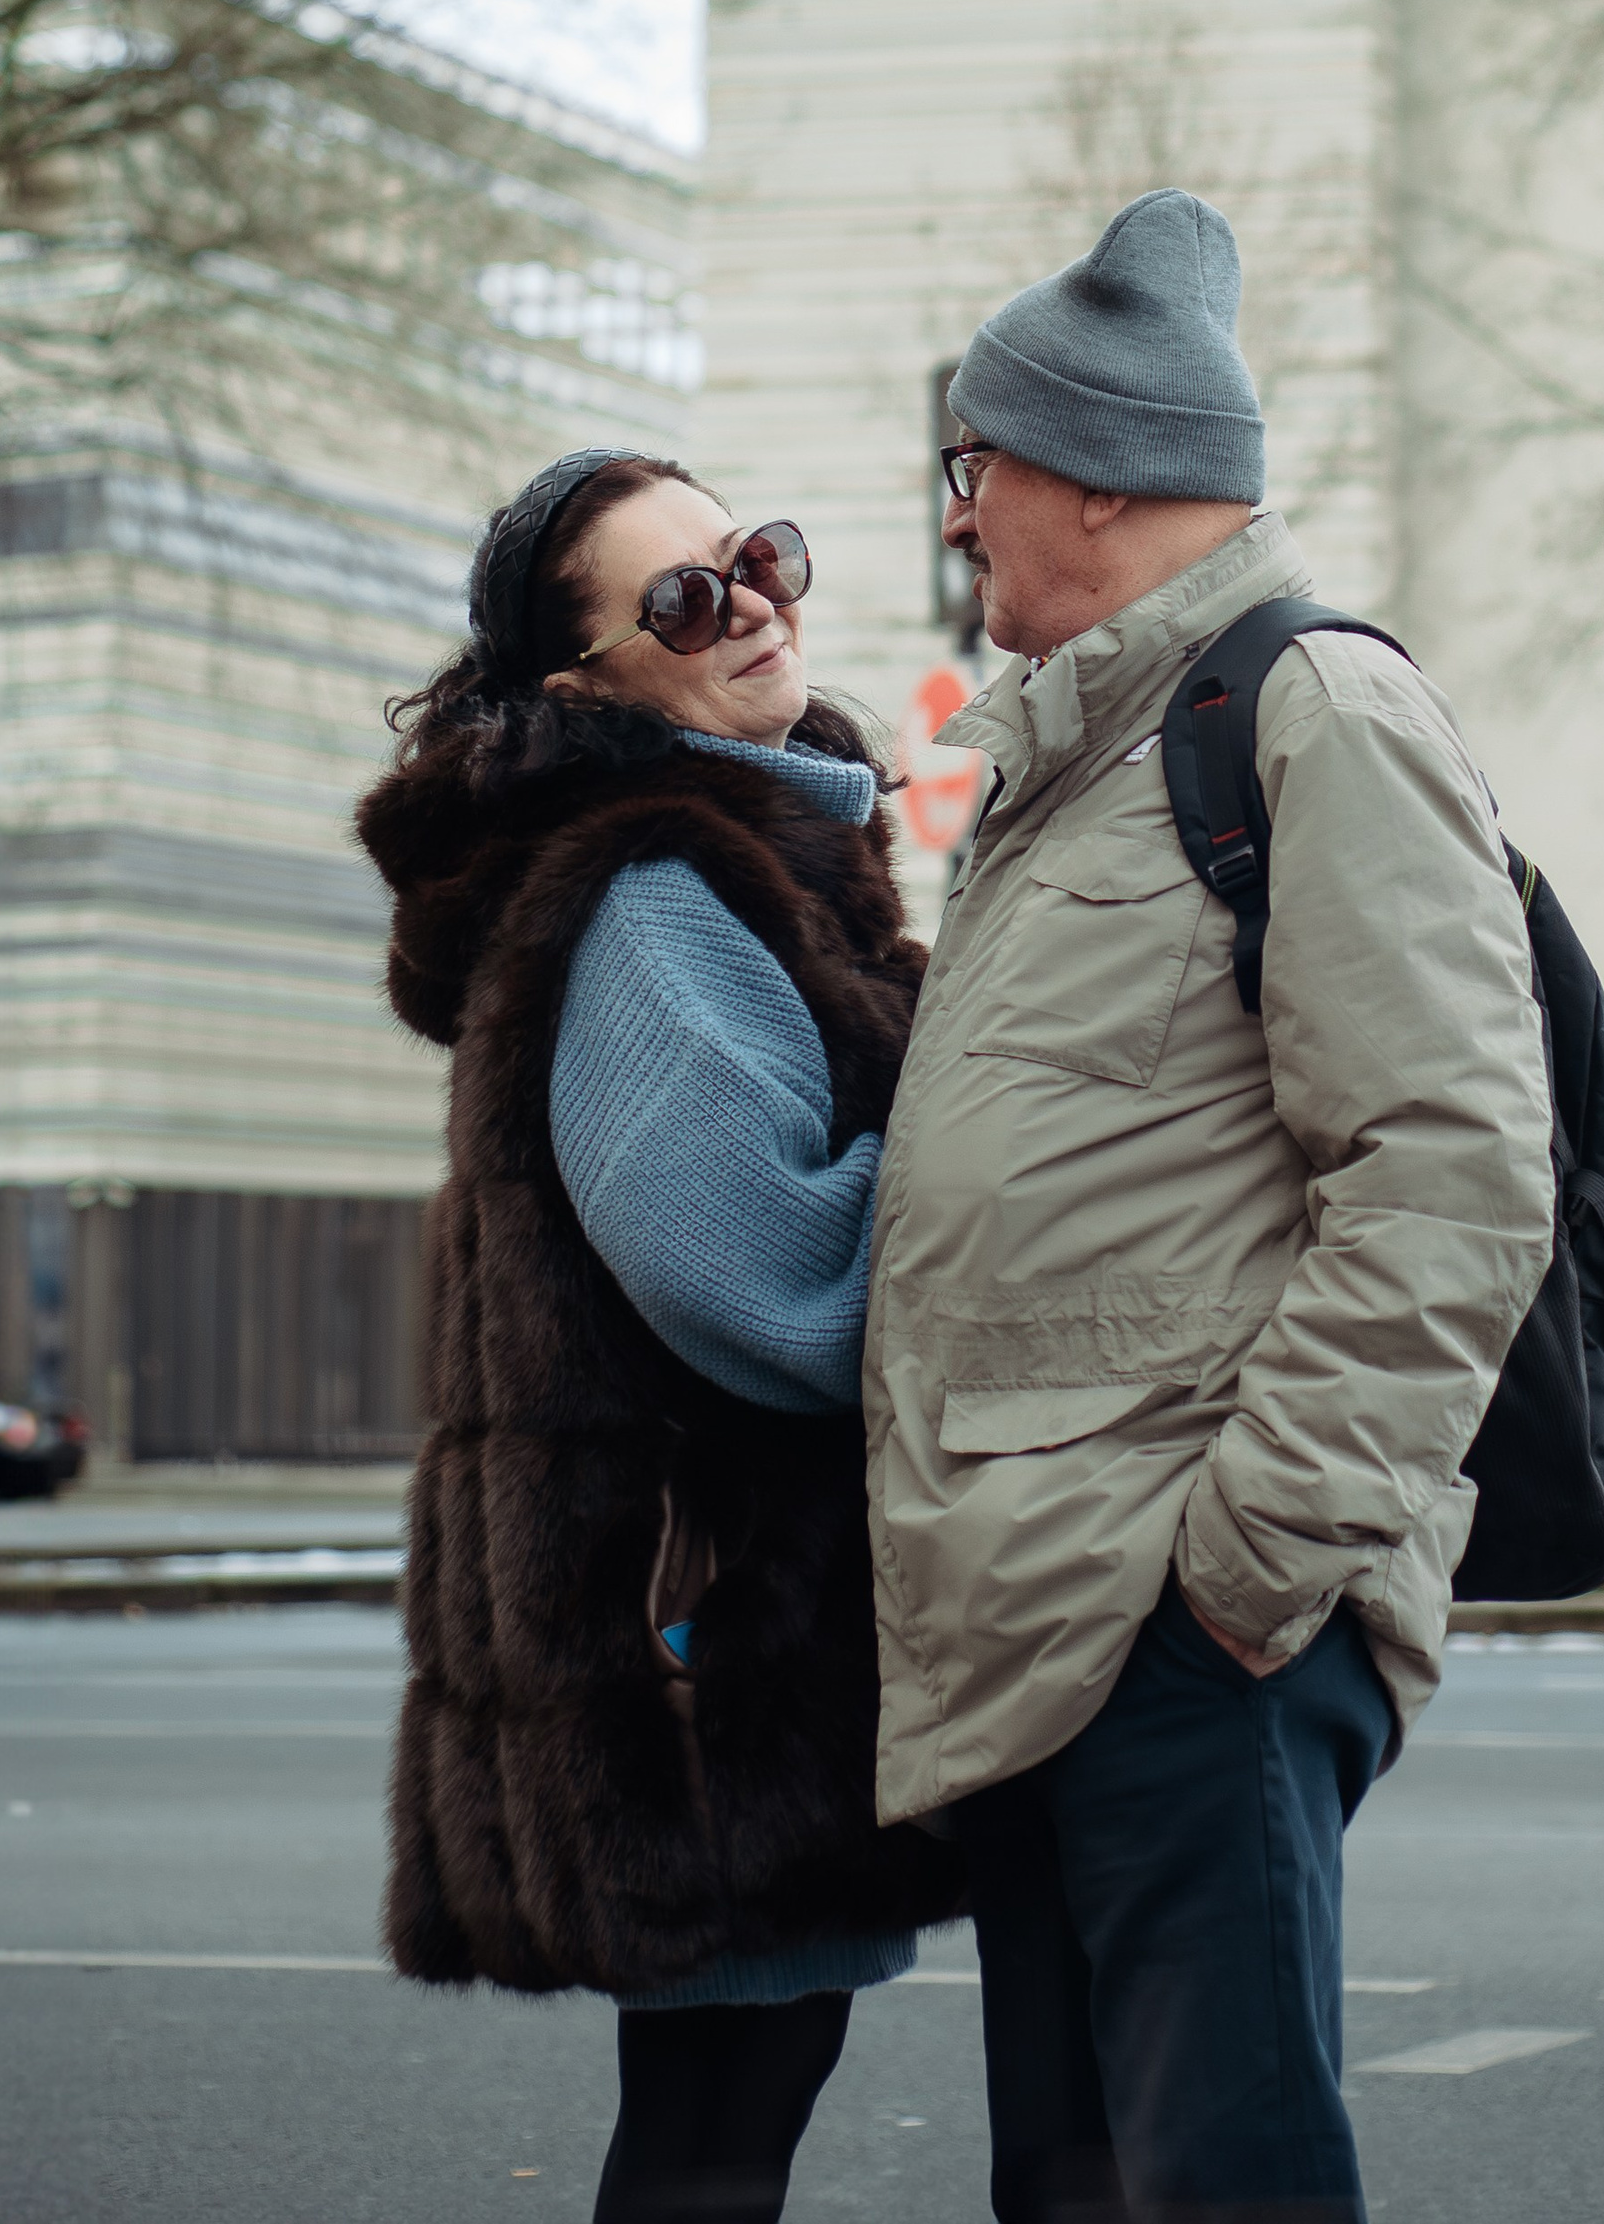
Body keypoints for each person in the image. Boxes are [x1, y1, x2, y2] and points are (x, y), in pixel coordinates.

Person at [865, 190, 1556, 2224]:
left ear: (1085, 473)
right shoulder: (1073, 757)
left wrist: (1241, 1571)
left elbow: (1448, 1171)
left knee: (1218, 2185)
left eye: (972, 469)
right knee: (1077, 2188)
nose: (959, 516)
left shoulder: (1307, 713)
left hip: (1181, 1624)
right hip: (1047, 1617)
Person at [358, 450, 963, 2224]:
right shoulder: (652, 895)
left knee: (725, 2115)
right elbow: (750, 1266)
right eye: (688, 598)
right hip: (704, 1645)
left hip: (718, 1633)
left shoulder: (755, 853)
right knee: (719, 2125)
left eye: (755, 556)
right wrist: (1006, 1223)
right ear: (586, 684)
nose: (756, 601)